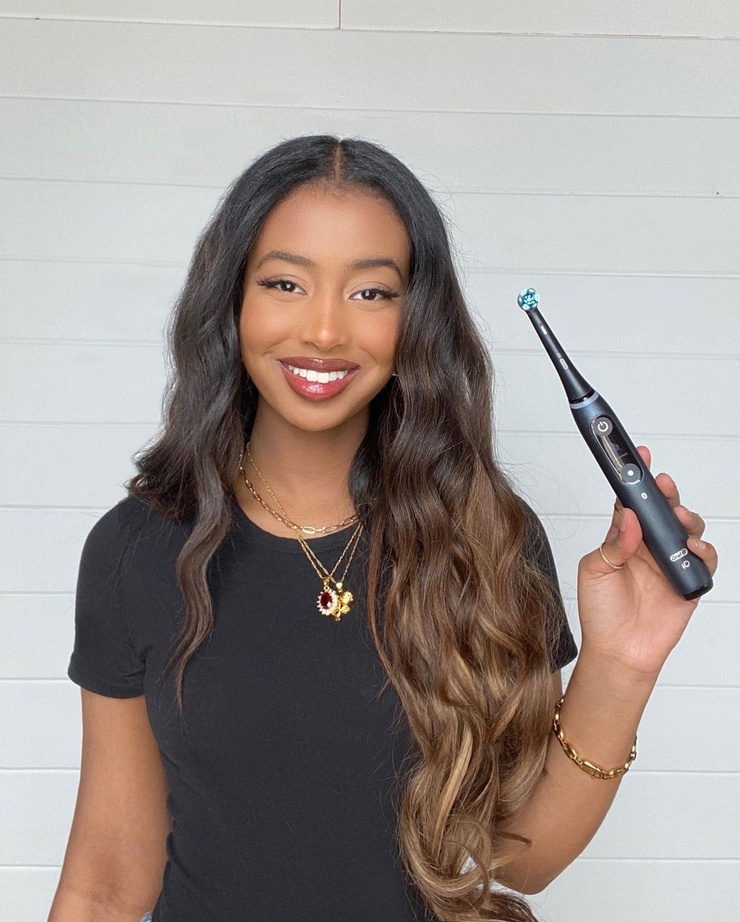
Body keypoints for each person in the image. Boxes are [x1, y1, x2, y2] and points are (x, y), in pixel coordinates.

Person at [48, 135, 717, 922]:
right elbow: (105, 886)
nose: (325, 331)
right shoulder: (137, 549)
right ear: (231, 301)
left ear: (416, 320)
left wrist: (622, 665)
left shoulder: (488, 539)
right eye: (286, 283)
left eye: (371, 292)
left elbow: (525, 857)